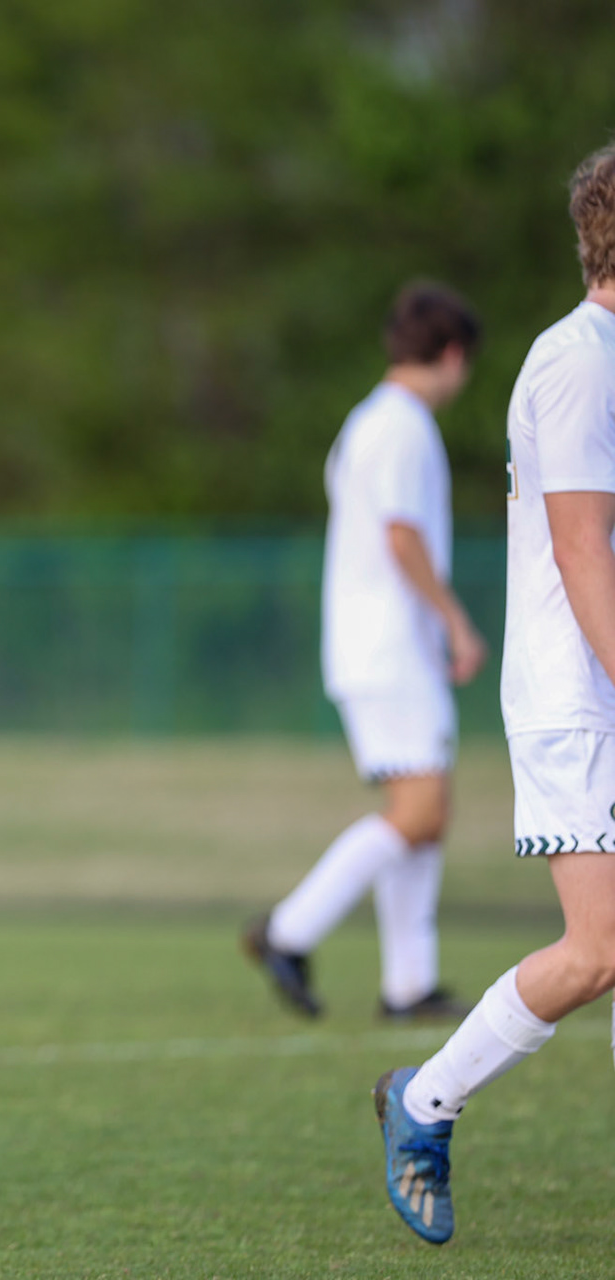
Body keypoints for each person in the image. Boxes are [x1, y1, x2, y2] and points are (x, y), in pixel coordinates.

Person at [374, 142, 615, 1245]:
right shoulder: (579, 362)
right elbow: (580, 550)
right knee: (597, 950)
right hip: (582, 692)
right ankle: (423, 1102)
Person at [243, 283, 487, 1021]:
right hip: (389, 646)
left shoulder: (367, 422)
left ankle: (408, 983)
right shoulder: (402, 426)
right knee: (418, 810)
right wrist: (455, 621)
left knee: (425, 813)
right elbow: (400, 534)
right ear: (451, 355)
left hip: (377, 645)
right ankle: (288, 931)